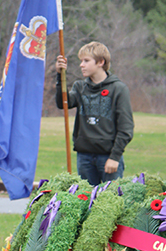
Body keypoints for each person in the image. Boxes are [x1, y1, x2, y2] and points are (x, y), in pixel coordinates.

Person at [55, 41, 134, 185]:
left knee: (109, 198)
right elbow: (63, 103)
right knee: (86, 197)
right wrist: (60, 76)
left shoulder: (118, 89)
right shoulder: (80, 87)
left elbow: (126, 128)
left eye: (86, 61)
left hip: (108, 158)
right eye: (81, 61)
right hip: (84, 158)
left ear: (100, 62)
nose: (81, 65)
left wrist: (115, 157)